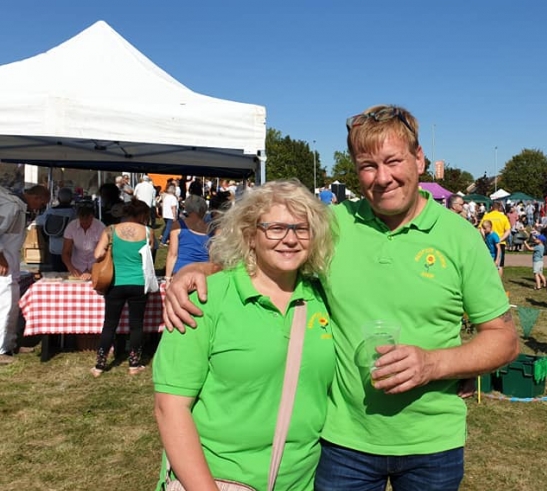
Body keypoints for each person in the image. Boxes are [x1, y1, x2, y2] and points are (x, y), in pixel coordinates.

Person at [163, 104, 519, 490]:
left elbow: (504, 339)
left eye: (393, 161)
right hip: (343, 442)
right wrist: (201, 269)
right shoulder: (335, 225)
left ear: (419, 159)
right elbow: (276, 253)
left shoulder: (460, 236)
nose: (382, 178)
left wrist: (435, 364)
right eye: (368, 165)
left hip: (432, 444)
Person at [153, 180, 336, 491]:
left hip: (303, 482)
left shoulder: (323, 297)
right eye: (276, 228)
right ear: (250, 235)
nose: (290, 239)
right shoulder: (204, 299)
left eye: (301, 228)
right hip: (218, 480)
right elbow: (170, 408)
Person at [91, 199, 156, 376]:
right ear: (142, 214)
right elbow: (150, 253)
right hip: (138, 282)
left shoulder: (110, 230)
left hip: (115, 282)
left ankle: (100, 364)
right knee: (136, 324)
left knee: (110, 324)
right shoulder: (148, 231)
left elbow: (97, 254)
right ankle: (134, 364)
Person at [0, 185, 50, 364]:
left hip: (11, 263)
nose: (40, 207)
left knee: (12, 306)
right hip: (3, 264)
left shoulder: (18, 207)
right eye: (42, 203)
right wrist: (1, 258)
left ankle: (10, 343)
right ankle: (1, 349)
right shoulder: (12, 207)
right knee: (4, 306)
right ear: (35, 198)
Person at [164, 195, 211, 279]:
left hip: (181, 271)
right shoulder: (209, 228)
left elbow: (172, 254)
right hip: (204, 271)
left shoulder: (178, 226)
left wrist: (167, 277)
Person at [61, 202, 106, 280]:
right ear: (78, 216)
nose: (84, 222)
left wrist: (92, 270)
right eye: (82, 219)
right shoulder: (71, 227)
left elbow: (103, 254)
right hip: (77, 266)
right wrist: (70, 267)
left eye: (88, 219)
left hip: (96, 265)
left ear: (92, 216)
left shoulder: (101, 227)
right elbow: (66, 252)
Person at [38, 187, 76, 272]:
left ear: (58, 199)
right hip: (71, 250)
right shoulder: (74, 213)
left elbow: (39, 221)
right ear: (71, 199)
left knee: (57, 274)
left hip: (54, 248)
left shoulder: (50, 211)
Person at [479, 200, 511, 277]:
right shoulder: (503, 217)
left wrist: (484, 238)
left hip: (488, 242)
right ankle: (499, 283)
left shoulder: (487, 216)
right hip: (500, 242)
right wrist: (500, 239)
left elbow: (480, 229)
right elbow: (508, 231)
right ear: (499, 207)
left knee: (488, 262)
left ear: (491, 207)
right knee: (500, 265)